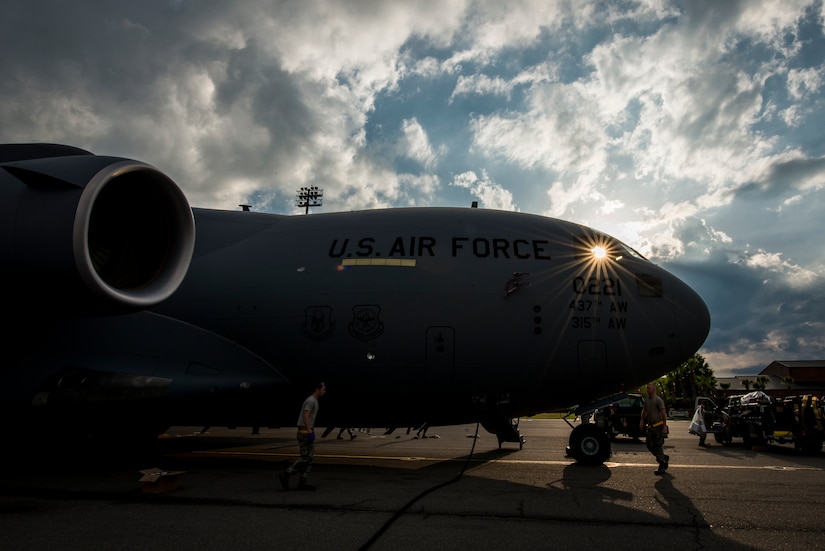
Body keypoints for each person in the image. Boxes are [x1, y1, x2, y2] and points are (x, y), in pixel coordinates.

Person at [280, 382, 326, 491]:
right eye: (323, 389)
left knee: (309, 458)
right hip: (304, 432)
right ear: (317, 389)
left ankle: (302, 481)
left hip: (307, 431)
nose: (324, 391)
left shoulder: (314, 401)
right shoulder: (311, 401)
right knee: (305, 457)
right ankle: (287, 472)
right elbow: (305, 416)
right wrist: (310, 431)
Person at [639, 383, 670, 475]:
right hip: (650, 426)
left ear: (654, 389)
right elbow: (644, 411)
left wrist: (664, 426)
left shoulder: (658, 400)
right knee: (649, 445)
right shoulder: (647, 400)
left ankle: (662, 464)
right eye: (647, 388)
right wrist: (642, 421)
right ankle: (664, 457)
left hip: (658, 426)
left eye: (649, 388)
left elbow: (663, 413)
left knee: (657, 445)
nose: (648, 390)